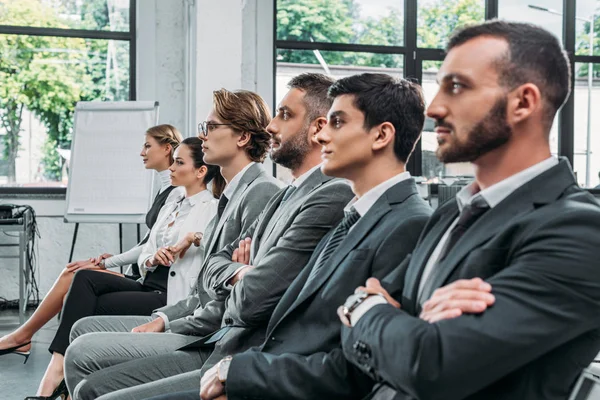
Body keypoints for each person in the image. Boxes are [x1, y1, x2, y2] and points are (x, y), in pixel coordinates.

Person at [335, 21, 600, 400]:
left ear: (523, 102)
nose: (434, 107)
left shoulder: (579, 230)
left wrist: (364, 308)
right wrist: (375, 308)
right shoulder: (448, 216)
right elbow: (365, 320)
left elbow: (431, 365)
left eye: (456, 87)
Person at [64, 73, 356, 400]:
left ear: (243, 137)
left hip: (226, 338)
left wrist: (230, 279)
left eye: (285, 115)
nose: (272, 126)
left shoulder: (277, 192)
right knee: (84, 348)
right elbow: (214, 268)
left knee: (86, 359)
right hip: (214, 329)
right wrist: (239, 271)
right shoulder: (277, 194)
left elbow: (248, 300)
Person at [160, 73, 433, 400]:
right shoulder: (356, 212)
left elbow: (358, 360)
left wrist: (246, 373)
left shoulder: (407, 222)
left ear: (381, 135)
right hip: (259, 364)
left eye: (337, 122)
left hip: (278, 379)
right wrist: (243, 275)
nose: (323, 135)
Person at [24, 137, 223, 400]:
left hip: (169, 296)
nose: (171, 167)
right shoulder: (173, 199)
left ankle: (58, 379)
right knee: (84, 278)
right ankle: (59, 370)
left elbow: (213, 242)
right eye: (173, 161)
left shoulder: (210, 207)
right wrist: (150, 259)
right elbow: (147, 248)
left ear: (200, 171)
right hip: (148, 281)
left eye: (179, 162)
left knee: (90, 306)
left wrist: (192, 238)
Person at [0, 124, 182, 377]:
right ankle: (36, 346)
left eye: (147, 146)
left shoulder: (179, 194)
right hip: (142, 273)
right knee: (71, 273)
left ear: (166, 148)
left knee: (74, 277)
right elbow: (148, 244)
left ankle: (28, 341)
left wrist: (109, 264)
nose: (142, 152)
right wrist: (111, 259)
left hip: (151, 280)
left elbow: (153, 249)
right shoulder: (166, 189)